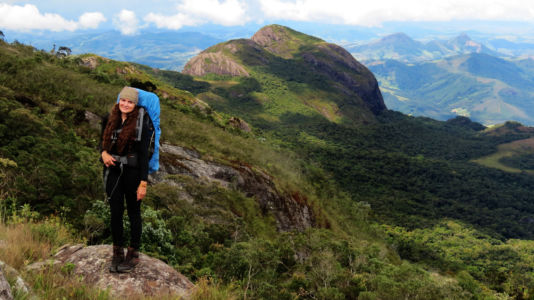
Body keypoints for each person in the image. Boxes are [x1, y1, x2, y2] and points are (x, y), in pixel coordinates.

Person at [101, 86, 150, 273]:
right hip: (112, 170)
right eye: (123, 100)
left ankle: (133, 253)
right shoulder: (110, 118)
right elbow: (101, 143)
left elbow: (144, 155)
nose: (126, 104)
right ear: (119, 100)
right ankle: (117, 251)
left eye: (130, 102)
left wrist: (143, 183)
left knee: (133, 212)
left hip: (133, 173)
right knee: (115, 212)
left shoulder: (141, 123)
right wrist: (103, 154)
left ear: (135, 104)